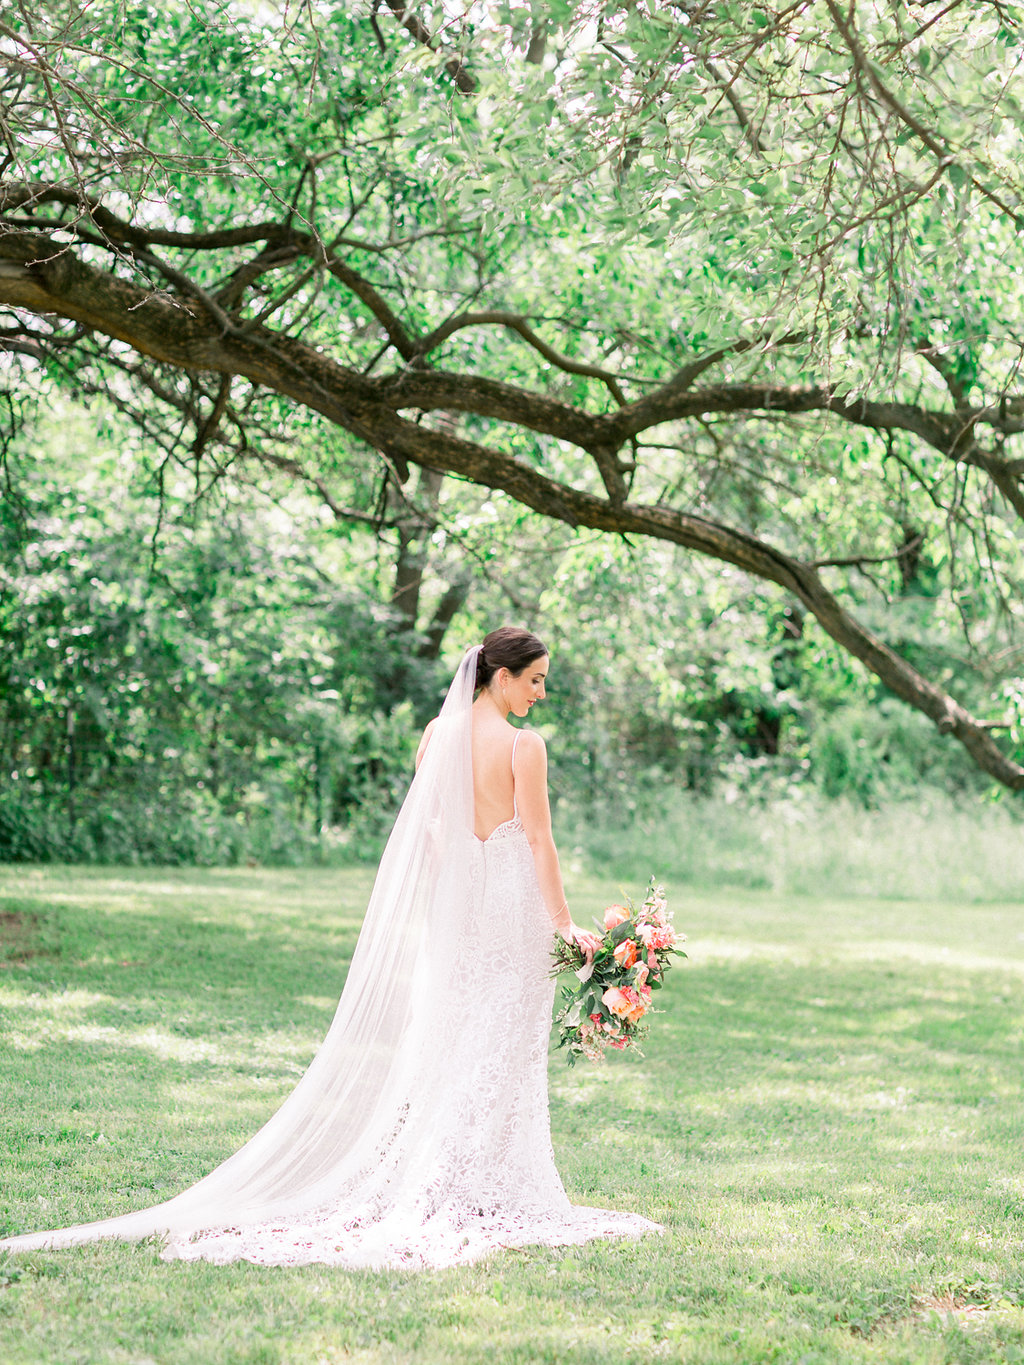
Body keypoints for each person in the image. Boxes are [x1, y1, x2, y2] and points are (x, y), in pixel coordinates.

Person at [0, 628, 660, 1268]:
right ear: (502, 676)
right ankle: (475, 1189)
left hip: (458, 918)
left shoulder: (437, 735)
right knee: (499, 1049)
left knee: (453, 1043)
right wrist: (565, 922)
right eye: (536, 679)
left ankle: (456, 1181)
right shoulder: (525, 747)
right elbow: (540, 841)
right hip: (513, 914)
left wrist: (457, 884)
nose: (541, 693)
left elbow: (430, 831)